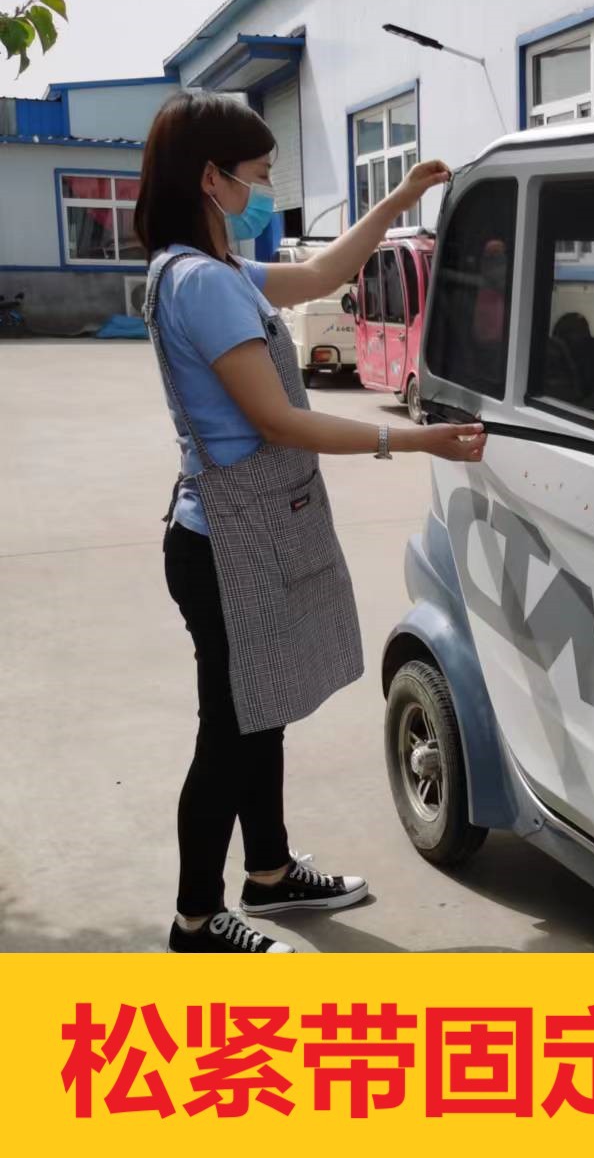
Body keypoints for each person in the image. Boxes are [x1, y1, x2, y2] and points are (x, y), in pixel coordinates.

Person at [134, 92, 486, 954]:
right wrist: (412, 439)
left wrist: (399, 199)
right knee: (229, 730)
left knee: (262, 708)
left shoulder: (212, 269)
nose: (263, 194)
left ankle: (270, 872)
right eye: (256, 176)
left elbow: (324, 273)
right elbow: (280, 422)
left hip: (239, 527)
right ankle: (195, 918)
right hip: (226, 541)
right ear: (210, 178)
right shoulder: (203, 285)